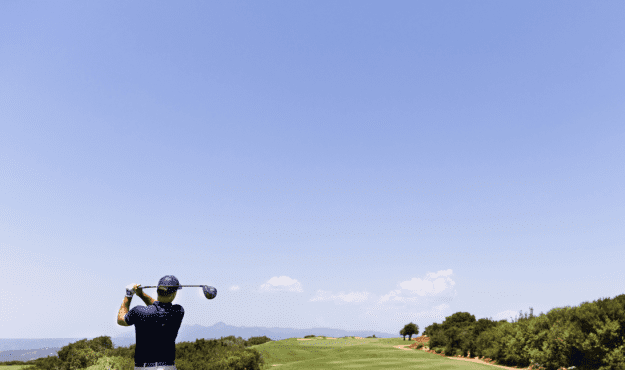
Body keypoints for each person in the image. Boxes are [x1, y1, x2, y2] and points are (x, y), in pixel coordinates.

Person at [117, 275, 185, 370]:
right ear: (174, 294)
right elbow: (159, 306)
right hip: (168, 367)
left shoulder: (139, 311)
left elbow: (121, 319)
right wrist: (141, 294)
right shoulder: (178, 311)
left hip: (143, 367)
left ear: (157, 291)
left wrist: (129, 295)